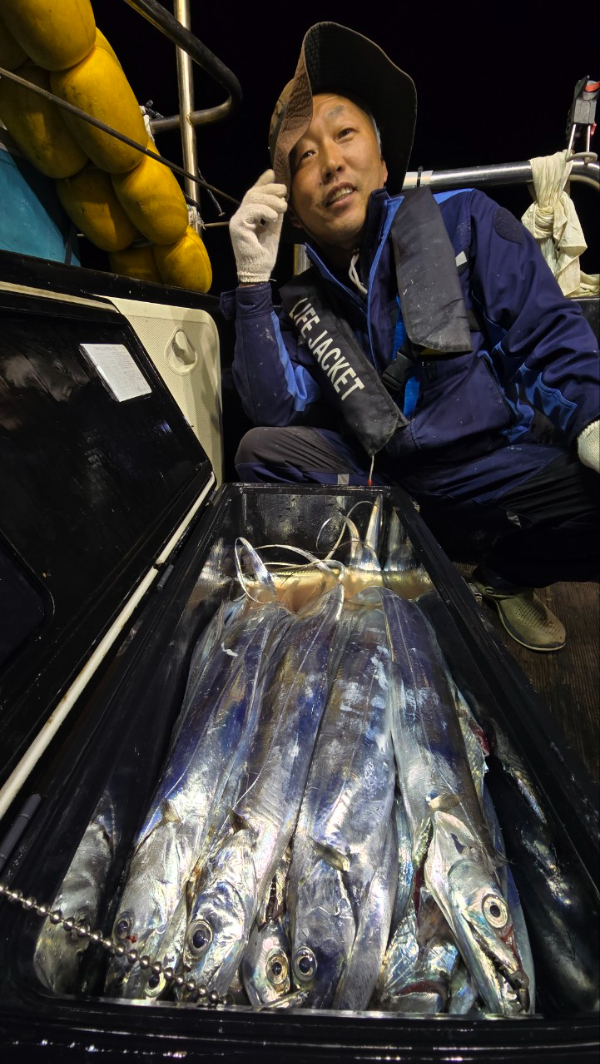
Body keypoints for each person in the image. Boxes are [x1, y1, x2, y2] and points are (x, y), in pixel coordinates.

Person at [221, 22, 600, 652]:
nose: (330, 162)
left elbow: (543, 332)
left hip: (492, 471)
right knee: (259, 450)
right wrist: (253, 283)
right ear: (291, 201)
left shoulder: (466, 220)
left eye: (344, 134)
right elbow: (272, 408)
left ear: (382, 158)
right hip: (385, 482)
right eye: (304, 156)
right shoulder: (300, 305)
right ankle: (401, 581)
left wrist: (592, 415)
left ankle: (506, 577)